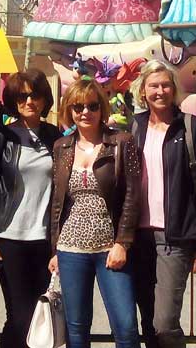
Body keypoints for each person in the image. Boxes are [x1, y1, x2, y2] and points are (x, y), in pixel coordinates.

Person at [129, 60, 196, 348]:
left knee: (165, 323)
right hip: (137, 237)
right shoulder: (134, 127)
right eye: (153, 85)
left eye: (166, 84)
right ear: (143, 91)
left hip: (175, 236)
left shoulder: (192, 128)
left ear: (174, 88)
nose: (160, 91)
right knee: (147, 321)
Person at [49, 77, 142, 348]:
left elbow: (132, 197)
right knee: (76, 329)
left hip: (109, 248)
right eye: (78, 107)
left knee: (125, 326)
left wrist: (123, 243)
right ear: (70, 111)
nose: (85, 112)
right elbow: (57, 202)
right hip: (71, 248)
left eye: (91, 106)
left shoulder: (122, 143)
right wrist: (54, 249)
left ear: (101, 108)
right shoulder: (61, 148)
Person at [0, 69, 61, 348]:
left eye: (35, 94)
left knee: (39, 314)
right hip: (8, 237)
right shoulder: (1, 135)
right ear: (13, 100)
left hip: (44, 239)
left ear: (44, 99)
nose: (29, 101)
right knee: (20, 316)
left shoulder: (54, 136)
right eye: (22, 96)